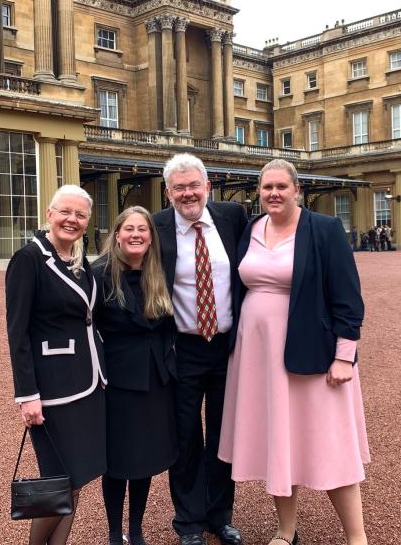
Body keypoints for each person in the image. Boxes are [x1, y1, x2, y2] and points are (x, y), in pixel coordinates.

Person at [219, 159, 370, 545]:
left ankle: (356, 536)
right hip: (258, 355)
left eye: (281, 187)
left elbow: (348, 297)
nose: (273, 193)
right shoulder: (251, 229)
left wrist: (344, 355)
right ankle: (286, 531)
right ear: (258, 190)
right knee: (278, 440)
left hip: (313, 352)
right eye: (267, 187)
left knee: (330, 441)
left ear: (297, 189)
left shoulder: (324, 229)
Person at [153, 153, 248, 545]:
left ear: (208, 187)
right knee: (186, 438)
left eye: (194, 185)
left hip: (228, 348)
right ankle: (189, 521)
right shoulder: (157, 227)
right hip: (182, 348)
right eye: (179, 187)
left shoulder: (233, 217)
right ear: (168, 192)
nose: (188, 193)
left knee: (224, 437)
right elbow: (119, 262)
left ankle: (219, 515)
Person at [5, 184, 107, 545]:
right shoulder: (29, 259)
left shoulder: (80, 262)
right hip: (52, 391)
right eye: (66, 212)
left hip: (88, 383)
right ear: (49, 214)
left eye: (80, 215)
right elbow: (17, 333)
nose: (72, 220)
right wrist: (27, 394)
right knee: (58, 480)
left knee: (76, 479)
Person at [92, 206, 179, 545]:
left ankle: (138, 530)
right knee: (117, 462)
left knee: (144, 459)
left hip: (155, 379)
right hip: (117, 379)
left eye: (142, 229)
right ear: (117, 234)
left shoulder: (158, 271)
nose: (136, 235)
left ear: (150, 236)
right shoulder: (100, 273)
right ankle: (115, 532)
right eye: (129, 229)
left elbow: (172, 322)